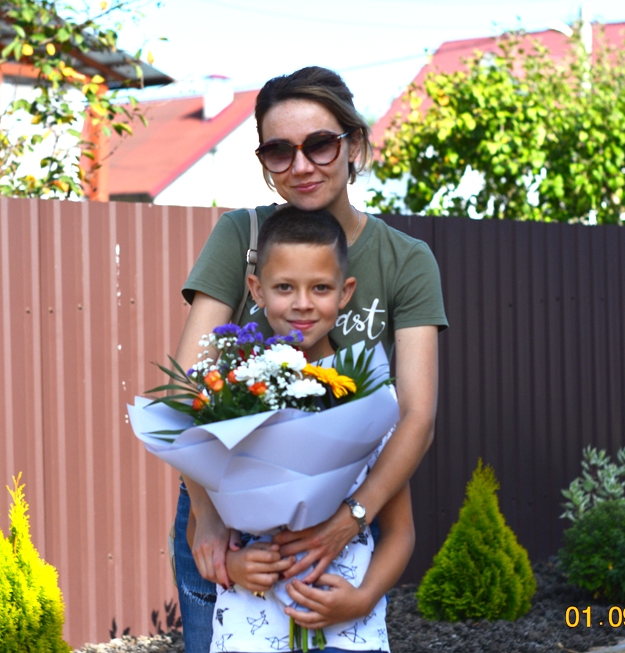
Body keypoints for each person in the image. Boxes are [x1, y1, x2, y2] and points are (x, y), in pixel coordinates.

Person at [173, 66, 447, 653]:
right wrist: (209, 519)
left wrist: (350, 519)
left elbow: (416, 415)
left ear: (354, 145)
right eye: (279, 150)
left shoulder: (404, 259)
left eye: (320, 144)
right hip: (227, 513)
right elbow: (187, 389)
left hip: (351, 504)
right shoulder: (241, 236)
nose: (300, 166)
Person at [211, 206, 414, 653]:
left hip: (348, 632)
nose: (302, 303)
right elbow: (204, 529)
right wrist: (234, 565)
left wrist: (363, 599)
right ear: (256, 290)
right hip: (249, 632)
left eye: (320, 287)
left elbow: (401, 532)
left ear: (345, 292)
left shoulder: (369, 396)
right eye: (284, 287)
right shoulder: (231, 395)